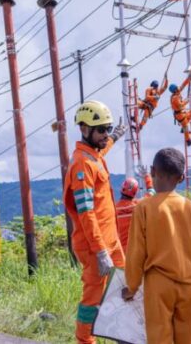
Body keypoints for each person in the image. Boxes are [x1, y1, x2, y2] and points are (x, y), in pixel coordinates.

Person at [122, 148, 191, 344]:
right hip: (187, 285)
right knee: (187, 339)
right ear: (182, 177)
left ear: (152, 171)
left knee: (159, 338)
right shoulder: (189, 207)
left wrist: (132, 286)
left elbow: (136, 253)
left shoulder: (143, 208)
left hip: (158, 284)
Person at [63, 100, 127, 344]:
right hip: (94, 246)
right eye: (102, 130)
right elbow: (85, 212)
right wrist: (100, 251)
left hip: (111, 241)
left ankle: (124, 335)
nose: (105, 135)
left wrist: (115, 137)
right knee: (93, 297)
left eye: (108, 129)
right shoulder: (82, 164)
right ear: (84, 129)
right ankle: (85, 341)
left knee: (124, 288)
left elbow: (101, 150)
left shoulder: (93, 155)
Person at [115, 165, 155, 251]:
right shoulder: (138, 205)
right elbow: (151, 192)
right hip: (137, 250)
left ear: (122, 189)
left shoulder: (114, 210)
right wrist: (147, 177)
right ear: (135, 193)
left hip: (121, 252)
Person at [169, 74, 191, 146]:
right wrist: (187, 100)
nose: (178, 89)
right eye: (177, 88)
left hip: (181, 113)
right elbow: (180, 106)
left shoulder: (177, 92)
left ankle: (183, 129)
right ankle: (188, 140)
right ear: (174, 90)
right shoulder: (175, 98)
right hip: (179, 115)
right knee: (186, 126)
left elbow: (183, 85)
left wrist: (189, 79)